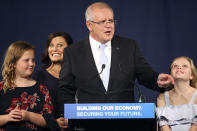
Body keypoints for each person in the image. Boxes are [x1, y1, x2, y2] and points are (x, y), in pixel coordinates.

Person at [57, 2, 174, 131]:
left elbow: (144, 73)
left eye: (111, 21)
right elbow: (65, 89)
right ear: (89, 25)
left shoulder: (129, 46)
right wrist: (68, 114)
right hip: (88, 124)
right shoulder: (73, 52)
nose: (108, 25)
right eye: (102, 22)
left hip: (124, 123)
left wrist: (157, 79)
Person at [0, 41, 60, 131]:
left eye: (33, 60)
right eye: (26, 60)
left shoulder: (42, 90)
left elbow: (51, 122)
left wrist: (28, 116)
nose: (31, 64)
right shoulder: (2, 88)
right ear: (13, 63)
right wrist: (8, 117)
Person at [32, 32, 73, 129]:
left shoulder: (77, 75)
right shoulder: (39, 75)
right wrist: (53, 122)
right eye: (51, 45)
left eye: (60, 45)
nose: (54, 49)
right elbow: (34, 108)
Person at [156, 56, 197, 131]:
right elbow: (164, 128)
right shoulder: (162, 98)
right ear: (170, 74)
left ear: (192, 75)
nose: (179, 68)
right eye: (175, 66)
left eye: (184, 66)